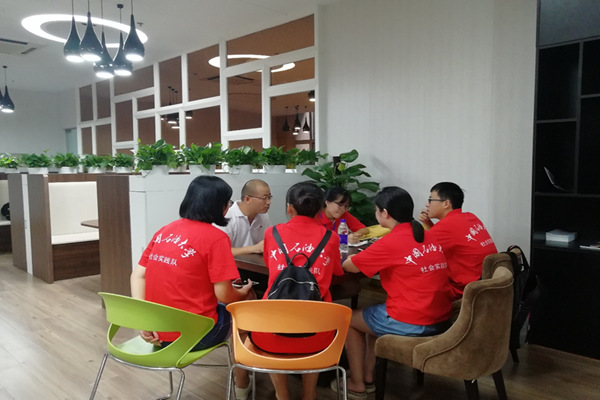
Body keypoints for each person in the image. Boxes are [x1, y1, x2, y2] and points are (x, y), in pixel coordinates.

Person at [130, 175, 255, 400]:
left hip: (157, 332)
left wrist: (143, 322)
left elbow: (137, 275)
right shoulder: (216, 238)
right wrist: (243, 292)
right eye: (228, 202)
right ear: (222, 206)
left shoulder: (164, 231)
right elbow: (224, 295)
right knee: (245, 313)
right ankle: (242, 384)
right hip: (194, 335)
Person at [334, 186, 452, 400]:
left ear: (385, 213)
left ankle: (357, 384)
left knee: (348, 319)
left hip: (414, 320)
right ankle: (368, 376)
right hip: (441, 315)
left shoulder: (390, 242)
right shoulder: (426, 235)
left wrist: (348, 254)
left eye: (376, 210)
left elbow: (349, 266)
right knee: (370, 316)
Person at [253, 181, 344, 400]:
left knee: (272, 325)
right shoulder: (330, 237)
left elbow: (269, 264)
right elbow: (337, 271)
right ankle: (309, 394)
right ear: (321, 208)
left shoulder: (272, 233)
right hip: (318, 333)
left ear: (289, 208)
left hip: (269, 332)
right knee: (314, 324)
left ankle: (282, 395)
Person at [417, 182, 498, 300]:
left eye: (430, 200)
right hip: (486, 284)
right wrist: (428, 224)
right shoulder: (470, 217)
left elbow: (416, 252)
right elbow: (441, 239)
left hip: (466, 291)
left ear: (446, 203)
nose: (427, 204)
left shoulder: (445, 227)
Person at [215, 179, 272, 256]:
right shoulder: (227, 217)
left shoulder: (263, 215)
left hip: (255, 262)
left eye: (269, 197)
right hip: (233, 262)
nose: (268, 202)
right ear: (247, 199)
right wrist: (254, 248)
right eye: (264, 198)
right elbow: (220, 251)